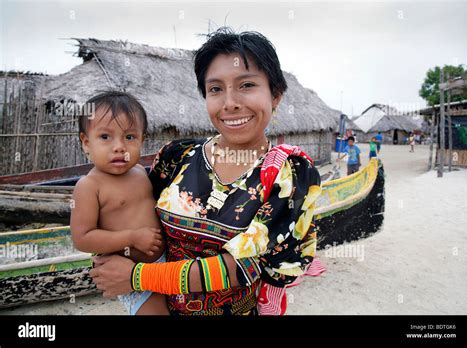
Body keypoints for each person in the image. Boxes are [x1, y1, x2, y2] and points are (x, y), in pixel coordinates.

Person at [89, 28, 322, 316]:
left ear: (276, 95)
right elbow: (132, 213)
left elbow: (245, 266)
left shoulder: (290, 176)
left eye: (246, 85)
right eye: (215, 89)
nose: (230, 103)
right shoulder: (177, 157)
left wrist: (136, 277)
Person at [70, 91, 169, 315]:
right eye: (105, 137)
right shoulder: (89, 186)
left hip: (167, 263)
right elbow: (82, 238)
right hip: (129, 274)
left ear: (142, 141)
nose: (119, 147)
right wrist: (132, 238)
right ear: (86, 143)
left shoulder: (140, 173)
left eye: (130, 137)